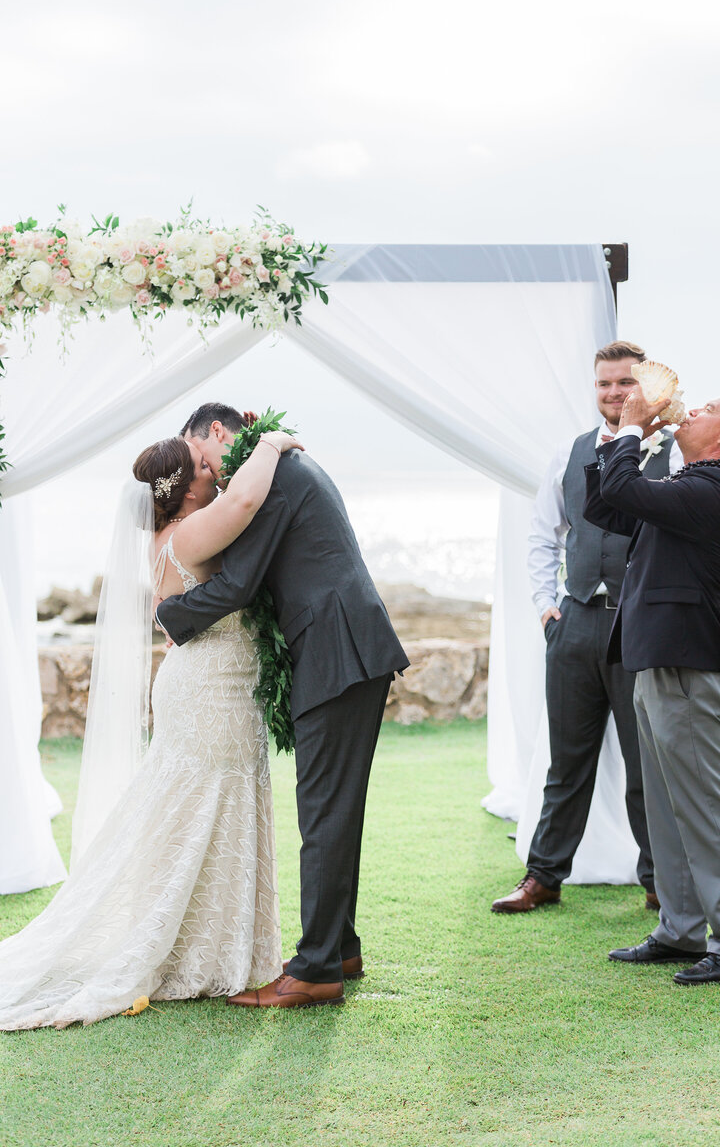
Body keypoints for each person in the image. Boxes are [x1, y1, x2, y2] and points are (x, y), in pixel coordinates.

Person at [0, 428, 300, 1031]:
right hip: (210, 691)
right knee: (199, 810)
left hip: (211, 685)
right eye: (204, 464)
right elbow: (247, 503)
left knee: (204, 811)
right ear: (183, 486)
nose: (214, 467)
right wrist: (272, 444)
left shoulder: (168, 537)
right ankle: (191, 950)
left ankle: (207, 945)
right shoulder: (191, 532)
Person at [157, 403, 410, 1010]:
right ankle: (339, 947)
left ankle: (317, 968)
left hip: (337, 651)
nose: (208, 478)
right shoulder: (283, 466)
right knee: (336, 810)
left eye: (200, 459)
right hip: (344, 648)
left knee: (323, 813)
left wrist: (172, 616)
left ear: (216, 432)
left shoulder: (273, 474)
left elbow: (239, 583)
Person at [585, 385, 720, 985]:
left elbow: (621, 490)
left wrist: (634, 430)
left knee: (710, 808)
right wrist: (624, 436)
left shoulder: (716, 487)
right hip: (662, 656)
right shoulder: (687, 486)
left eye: (707, 409)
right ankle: (682, 929)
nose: (691, 410)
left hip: (689, 662)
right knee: (667, 804)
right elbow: (606, 506)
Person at [492, 341, 681, 916]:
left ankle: (659, 881)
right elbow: (543, 533)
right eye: (605, 384)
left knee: (646, 760)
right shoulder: (568, 452)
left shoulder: (672, 455)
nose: (615, 393)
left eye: (626, 383)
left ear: (646, 389)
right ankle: (544, 876)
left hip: (639, 627)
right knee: (565, 758)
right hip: (573, 623)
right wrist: (546, 606)